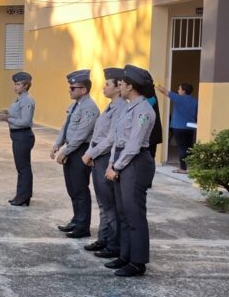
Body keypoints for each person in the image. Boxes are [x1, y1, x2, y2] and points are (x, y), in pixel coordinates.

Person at [105, 64, 156, 277]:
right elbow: (118, 139)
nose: (120, 86)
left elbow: (134, 144)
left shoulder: (144, 111)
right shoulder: (129, 107)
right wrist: (111, 163)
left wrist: (117, 166)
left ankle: (138, 262)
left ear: (131, 86)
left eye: (123, 84)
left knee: (135, 215)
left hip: (135, 163)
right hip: (122, 161)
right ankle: (125, 255)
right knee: (123, 212)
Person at [82, 68, 127, 258]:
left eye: (108, 84)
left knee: (109, 204)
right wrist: (91, 153)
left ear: (118, 88)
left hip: (106, 157)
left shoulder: (121, 108)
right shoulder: (110, 106)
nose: (104, 87)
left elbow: (110, 139)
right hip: (98, 158)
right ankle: (103, 238)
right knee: (103, 203)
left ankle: (113, 244)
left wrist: (91, 153)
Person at [53, 70, 100, 238]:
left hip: (80, 150)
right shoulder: (75, 105)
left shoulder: (90, 108)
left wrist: (65, 151)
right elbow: (66, 127)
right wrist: (57, 144)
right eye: (70, 87)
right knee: (72, 188)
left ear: (84, 90)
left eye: (73, 88)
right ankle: (76, 219)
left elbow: (81, 133)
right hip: (71, 149)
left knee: (80, 189)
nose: (70, 90)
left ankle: (83, 226)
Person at [0, 72, 35, 206]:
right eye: (15, 84)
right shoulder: (19, 99)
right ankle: (22, 195)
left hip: (23, 135)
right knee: (21, 167)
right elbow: (17, 115)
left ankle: (23, 197)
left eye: (18, 84)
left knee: (23, 167)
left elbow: (25, 121)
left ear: (26, 86)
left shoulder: (27, 101)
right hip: (17, 135)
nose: (15, 86)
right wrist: (7, 113)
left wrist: (7, 118)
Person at [156, 82, 198, 173]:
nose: (178, 91)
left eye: (179, 89)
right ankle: (193, 166)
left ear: (184, 91)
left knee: (182, 148)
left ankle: (183, 168)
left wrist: (156, 85)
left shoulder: (179, 98)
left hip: (179, 127)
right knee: (189, 147)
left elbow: (165, 91)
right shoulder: (195, 101)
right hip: (190, 127)